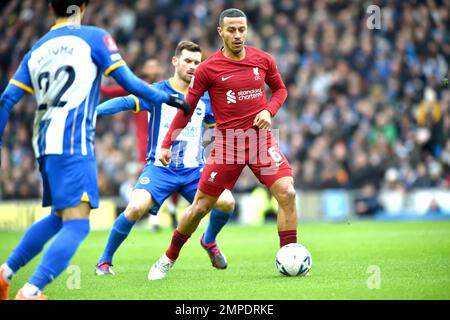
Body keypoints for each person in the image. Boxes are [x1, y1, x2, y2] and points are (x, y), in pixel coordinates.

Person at [0, 0, 189, 300]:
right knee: (77, 225)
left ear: (52, 8)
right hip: (73, 143)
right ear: (83, 6)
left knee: (59, 217)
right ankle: (32, 291)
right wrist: (167, 98)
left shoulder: (36, 49)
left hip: (44, 143)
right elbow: (127, 82)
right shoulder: (93, 37)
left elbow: (6, 100)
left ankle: (6, 273)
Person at [148, 8, 298, 281]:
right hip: (227, 145)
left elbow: (281, 90)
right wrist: (168, 142)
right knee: (201, 207)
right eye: (231, 30)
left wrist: (269, 110)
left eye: (242, 29)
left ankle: (290, 254)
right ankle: (168, 258)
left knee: (287, 193)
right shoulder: (208, 69)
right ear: (220, 32)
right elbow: (186, 109)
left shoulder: (263, 60)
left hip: (259, 140)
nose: (238, 35)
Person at [94, 41, 235, 276]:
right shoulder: (157, 91)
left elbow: (215, 128)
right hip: (160, 169)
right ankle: (104, 261)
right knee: (134, 208)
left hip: (193, 172)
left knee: (228, 202)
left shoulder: (206, 97)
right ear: (175, 61)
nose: (192, 66)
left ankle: (208, 240)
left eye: (197, 63)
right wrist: (95, 112)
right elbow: (127, 101)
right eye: (188, 61)